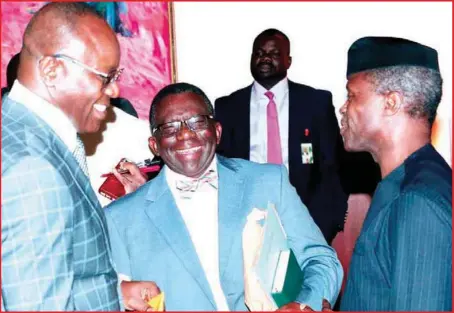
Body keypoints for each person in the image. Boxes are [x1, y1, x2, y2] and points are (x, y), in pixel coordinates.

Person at [104, 82, 343, 311]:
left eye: (197, 122)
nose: (185, 134)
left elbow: (321, 261)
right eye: (170, 127)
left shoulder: (269, 182)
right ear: (154, 145)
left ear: (217, 132)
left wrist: (302, 307)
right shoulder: (120, 219)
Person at [1, 2, 156, 310]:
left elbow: (54, 277)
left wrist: (116, 293)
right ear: (52, 70)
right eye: (106, 76)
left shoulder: (26, 134)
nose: (114, 91)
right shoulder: (33, 169)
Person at [339, 36, 452, 311]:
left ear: (391, 103)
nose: (343, 107)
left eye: (352, 95)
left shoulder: (418, 202)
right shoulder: (405, 182)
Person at [215, 28, 354, 244]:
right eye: (259, 53)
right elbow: (223, 171)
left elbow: (332, 168)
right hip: (247, 228)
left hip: (308, 224)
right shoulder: (228, 107)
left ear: (288, 61)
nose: (265, 58)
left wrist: (327, 223)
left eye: (274, 53)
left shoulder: (315, 103)